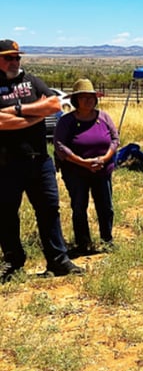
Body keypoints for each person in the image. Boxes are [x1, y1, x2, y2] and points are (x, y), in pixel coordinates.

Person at [0, 39, 83, 280]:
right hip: (5, 164)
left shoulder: (32, 81)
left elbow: (54, 103)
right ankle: (13, 262)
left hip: (40, 161)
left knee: (49, 210)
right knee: (6, 213)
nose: (15, 61)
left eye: (17, 57)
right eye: (9, 58)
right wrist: (36, 113)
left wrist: (17, 111)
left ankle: (58, 260)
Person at [53, 78, 119, 254]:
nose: (88, 100)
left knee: (106, 206)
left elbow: (115, 139)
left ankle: (107, 239)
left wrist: (104, 159)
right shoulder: (66, 121)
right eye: (84, 97)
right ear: (76, 100)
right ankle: (83, 243)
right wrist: (83, 162)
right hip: (76, 171)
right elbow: (60, 146)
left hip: (102, 169)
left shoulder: (103, 117)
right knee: (79, 206)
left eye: (91, 97)